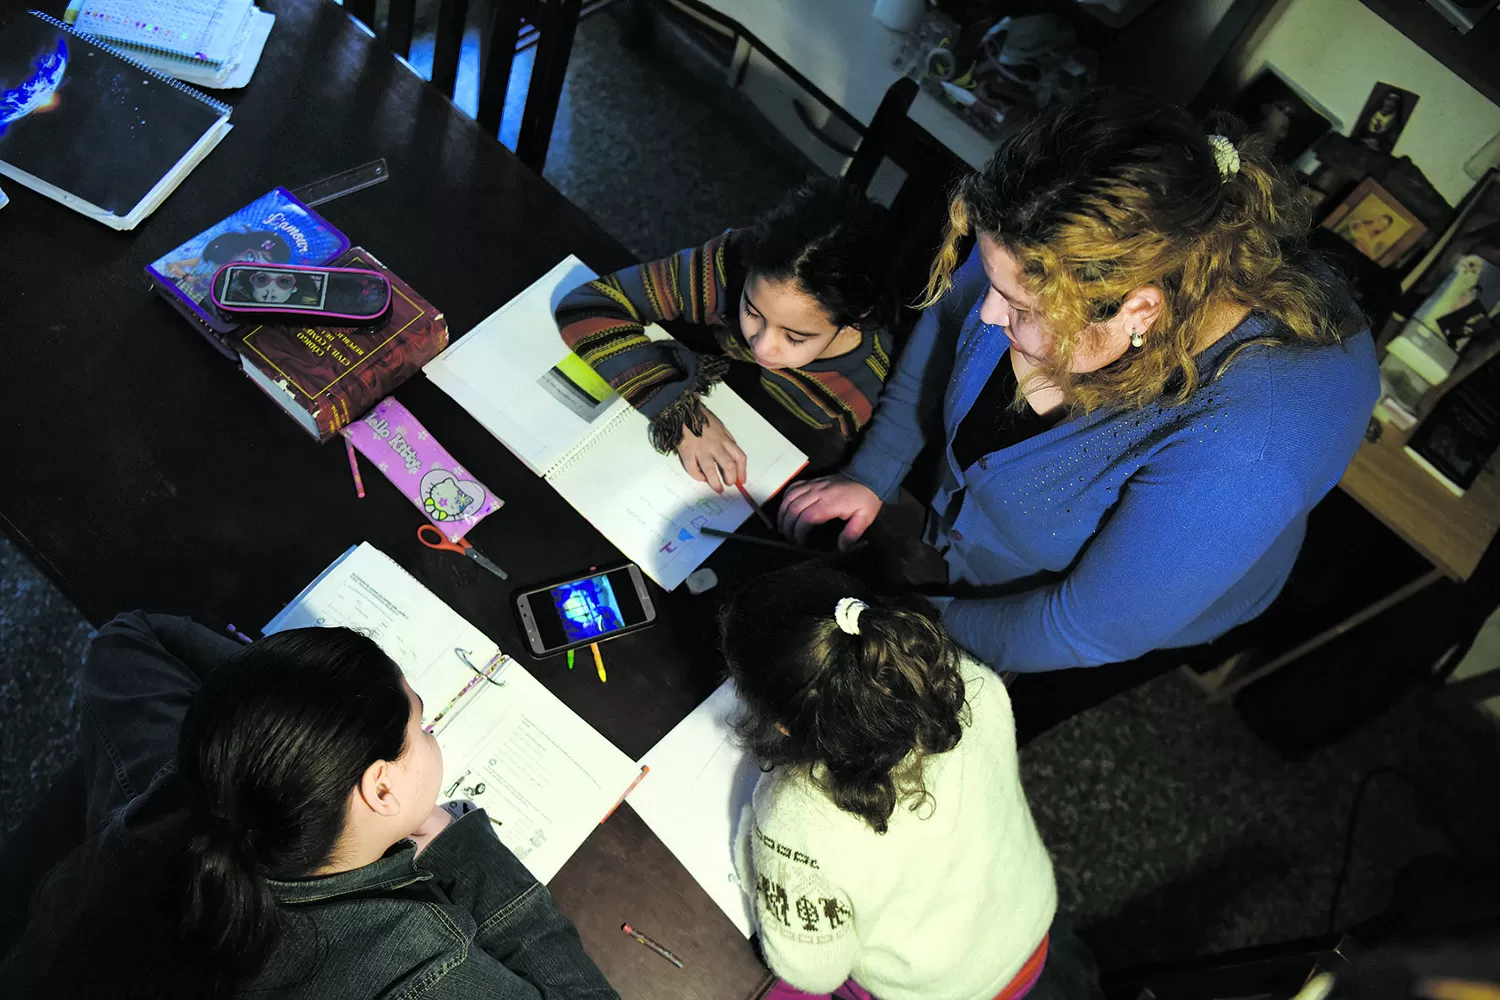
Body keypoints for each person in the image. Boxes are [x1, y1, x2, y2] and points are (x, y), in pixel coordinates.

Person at [777, 90, 1380, 742]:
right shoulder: (1048, 246)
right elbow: (947, 329)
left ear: (1139, 312)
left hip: (1112, 609)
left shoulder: (1248, 449)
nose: (986, 313)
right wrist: (872, 473)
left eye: (1018, 307)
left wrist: (918, 618)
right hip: (990, 555)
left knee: (1002, 714)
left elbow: (1082, 625)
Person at [1, 612, 618, 1000]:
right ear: (382, 789)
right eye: (422, 725)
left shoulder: (174, 800)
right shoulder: (416, 968)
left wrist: (276, 717)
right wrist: (470, 857)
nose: (433, 737)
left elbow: (131, 637)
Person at [723, 564, 1100, 1000]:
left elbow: (814, 972)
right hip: (1035, 928)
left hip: (938, 989)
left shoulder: (796, 815)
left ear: (783, 727)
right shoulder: (970, 679)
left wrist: (752, 839)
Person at [554, 177, 897, 491]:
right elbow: (587, 307)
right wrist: (681, 411)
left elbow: (869, 471)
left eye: (795, 337)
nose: (762, 345)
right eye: (751, 311)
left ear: (855, 318)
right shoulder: (728, 264)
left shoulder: (870, 389)